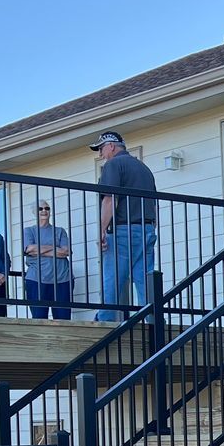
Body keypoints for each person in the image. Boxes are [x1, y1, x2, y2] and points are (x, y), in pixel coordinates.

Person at [90, 130, 158, 321]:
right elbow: (154, 204)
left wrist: (102, 231)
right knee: (145, 281)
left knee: (112, 280)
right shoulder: (144, 168)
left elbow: (109, 200)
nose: (101, 155)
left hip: (123, 230)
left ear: (111, 146)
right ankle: (154, 325)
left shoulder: (113, 165)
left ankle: (105, 324)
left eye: (101, 149)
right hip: (146, 229)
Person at [21, 199, 73, 319]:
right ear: (35, 212)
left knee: (63, 320)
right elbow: (29, 249)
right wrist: (54, 248)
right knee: (39, 320)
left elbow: (66, 251)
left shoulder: (60, 231)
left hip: (62, 279)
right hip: (36, 280)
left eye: (47, 208)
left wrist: (39, 250)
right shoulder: (29, 231)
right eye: (40, 208)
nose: (44, 211)